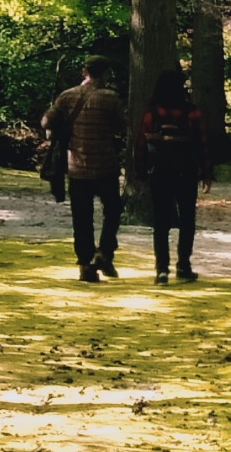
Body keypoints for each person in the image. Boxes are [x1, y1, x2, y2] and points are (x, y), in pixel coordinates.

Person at [42, 56, 126, 282]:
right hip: (106, 166)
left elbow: (46, 122)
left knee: (81, 219)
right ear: (106, 74)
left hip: (76, 167)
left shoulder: (66, 96)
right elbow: (121, 127)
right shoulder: (111, 98)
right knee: (113, 211)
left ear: (84, 72)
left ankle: (85, 265)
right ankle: (105, 251)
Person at [136, 68, 213, 285]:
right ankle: (184, 266)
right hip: (186, 173)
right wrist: (207, 174)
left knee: (160, 222)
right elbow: (203, 144)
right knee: (187, 220)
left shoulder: (152, 112)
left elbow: (141, 144)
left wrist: (140, 171)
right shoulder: (192, 112)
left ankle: (161, 270)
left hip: (159, 173)